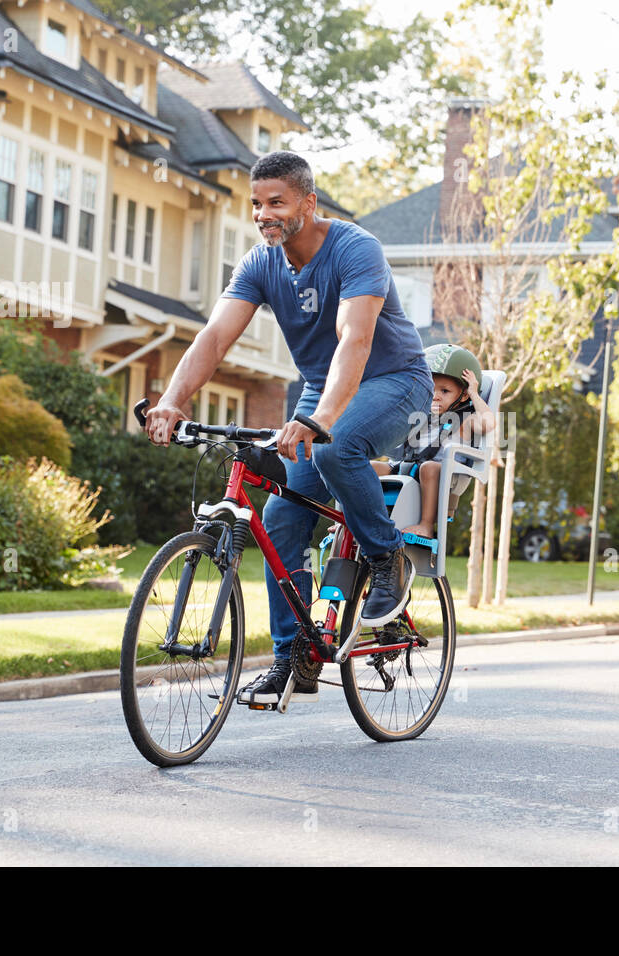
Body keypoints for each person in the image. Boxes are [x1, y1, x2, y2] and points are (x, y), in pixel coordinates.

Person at [142, 150, 432, 705]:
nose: (263, 213)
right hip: (323, 394)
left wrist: (320, 418)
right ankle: (292, 656)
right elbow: (214, 338)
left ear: (308, 201)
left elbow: (356, 339)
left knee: (336, 447)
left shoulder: (355, 248)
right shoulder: (260, 264)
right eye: (256, 203)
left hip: (396, 382)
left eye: (276, 202)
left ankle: (384, 553)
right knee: (279, 519)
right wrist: (173, 400)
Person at [372, 343, 496, 539]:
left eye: (445, 391)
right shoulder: (420, 415)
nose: (435, 397)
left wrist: (473, 392)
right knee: (363, 467)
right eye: (431, 389)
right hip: (407, 466)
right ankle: (350, 519)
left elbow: (489, 423)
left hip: (443, 473)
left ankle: (426, 525)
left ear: (463, 396)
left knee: (429, 467)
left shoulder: (466, 420)